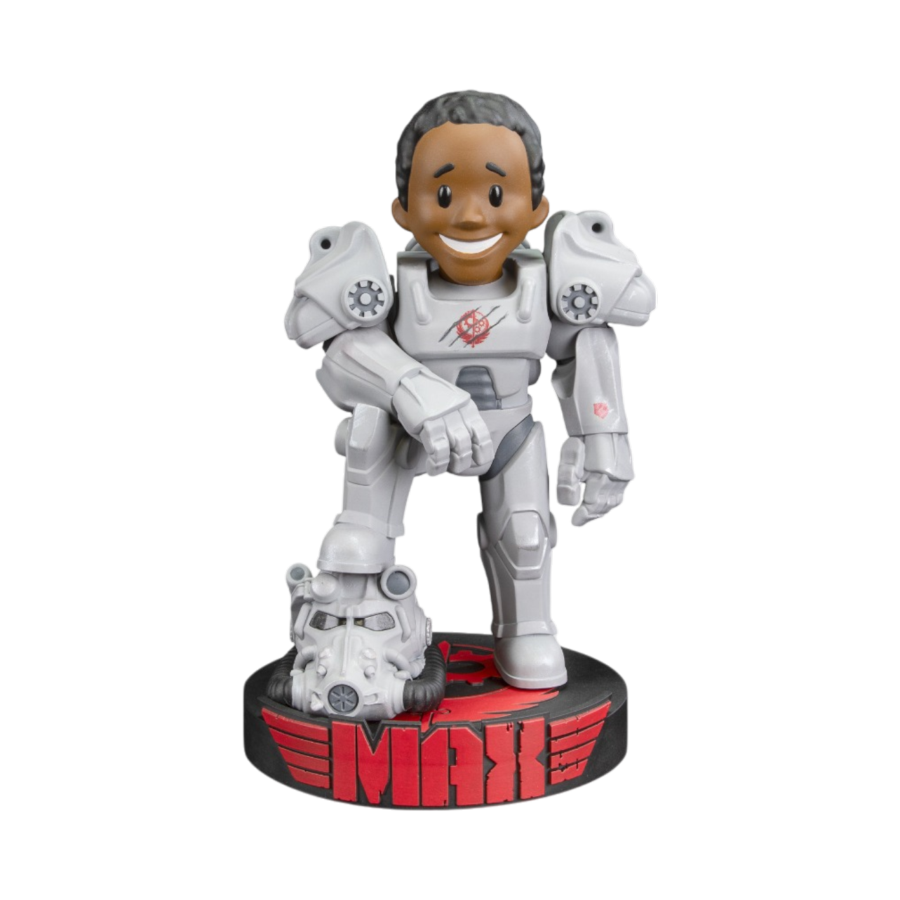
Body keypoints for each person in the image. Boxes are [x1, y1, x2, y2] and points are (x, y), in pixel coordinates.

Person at [284, 90, 655, 700]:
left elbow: (587, 346)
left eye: (497, 194)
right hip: (407, 432)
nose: (472, 217)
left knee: (527, 537)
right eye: (444, 195)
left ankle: (527, 630)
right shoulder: (387, 286)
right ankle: (352, 629)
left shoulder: (550, 284)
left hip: (508, 433)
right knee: (356, 530)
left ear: (537, 208)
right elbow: (337, 354)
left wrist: (603, 442)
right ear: (403, 210)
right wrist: (410, 387)